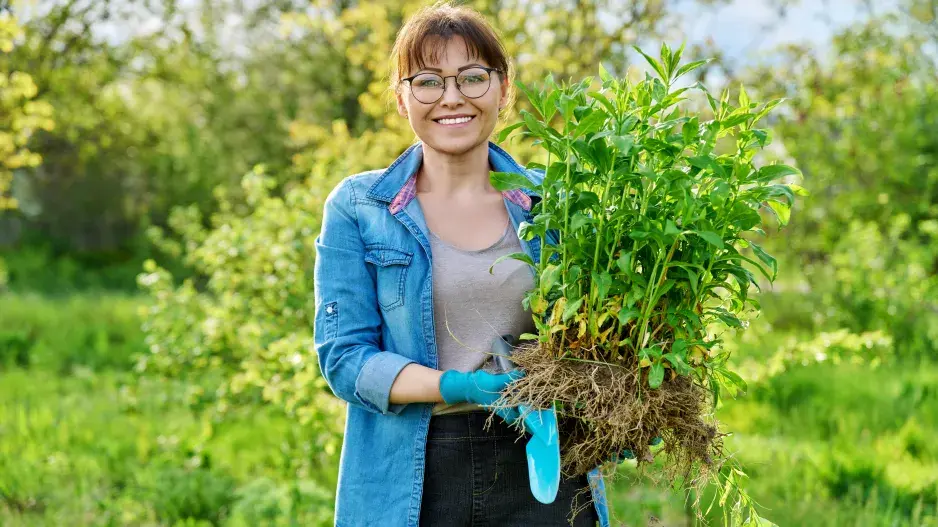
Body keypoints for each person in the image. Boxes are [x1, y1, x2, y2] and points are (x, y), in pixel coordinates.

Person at [313, 3, 610, 526]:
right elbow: (344, 359)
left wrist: (625, 395)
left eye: (473, 77)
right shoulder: (360, 208)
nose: (452, 98)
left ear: (502, 88)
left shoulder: (556, 205)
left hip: (545, 461)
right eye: (427, 81)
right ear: (402, 99)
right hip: (417, 471)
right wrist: (455, 385)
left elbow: (600, 332)